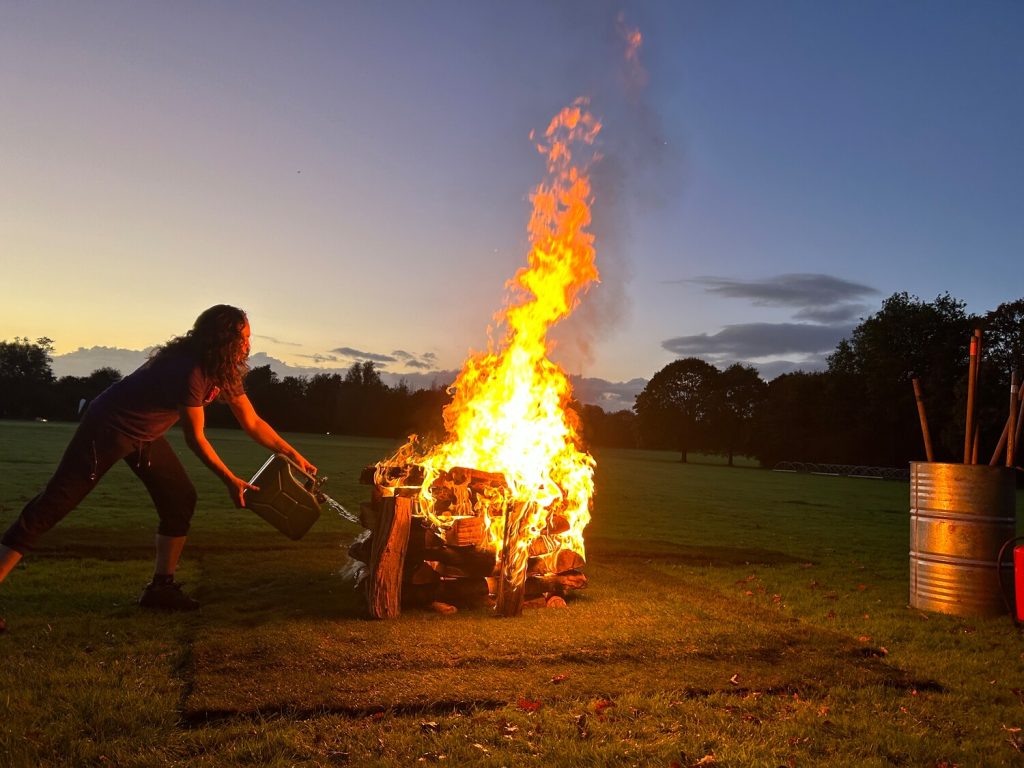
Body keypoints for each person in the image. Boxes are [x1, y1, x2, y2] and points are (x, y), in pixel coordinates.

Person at [0, 305, 316, 631]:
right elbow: (195, 438)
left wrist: (293, 454)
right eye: (244, 338)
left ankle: (160, 589)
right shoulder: (190, 370)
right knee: (53, 505)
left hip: (145, 436)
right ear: (224, 338)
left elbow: (251, 421)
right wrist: (229, 479)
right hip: (110, 427)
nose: (249, 345)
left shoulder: (223, 370)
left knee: (180, 498)